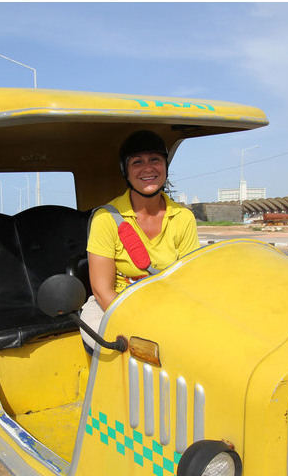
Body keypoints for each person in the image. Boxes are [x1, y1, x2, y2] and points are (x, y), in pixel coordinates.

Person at [79, 130, 200, 348]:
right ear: (125, 171)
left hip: (166, 303)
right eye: (137, 162)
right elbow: (101, 290)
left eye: (155, 159)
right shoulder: (106, 218)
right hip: (114, 303)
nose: (148, 168)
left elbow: (191, 281)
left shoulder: (183, 217)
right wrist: (140, 325)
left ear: (165, 166)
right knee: (110, 346)